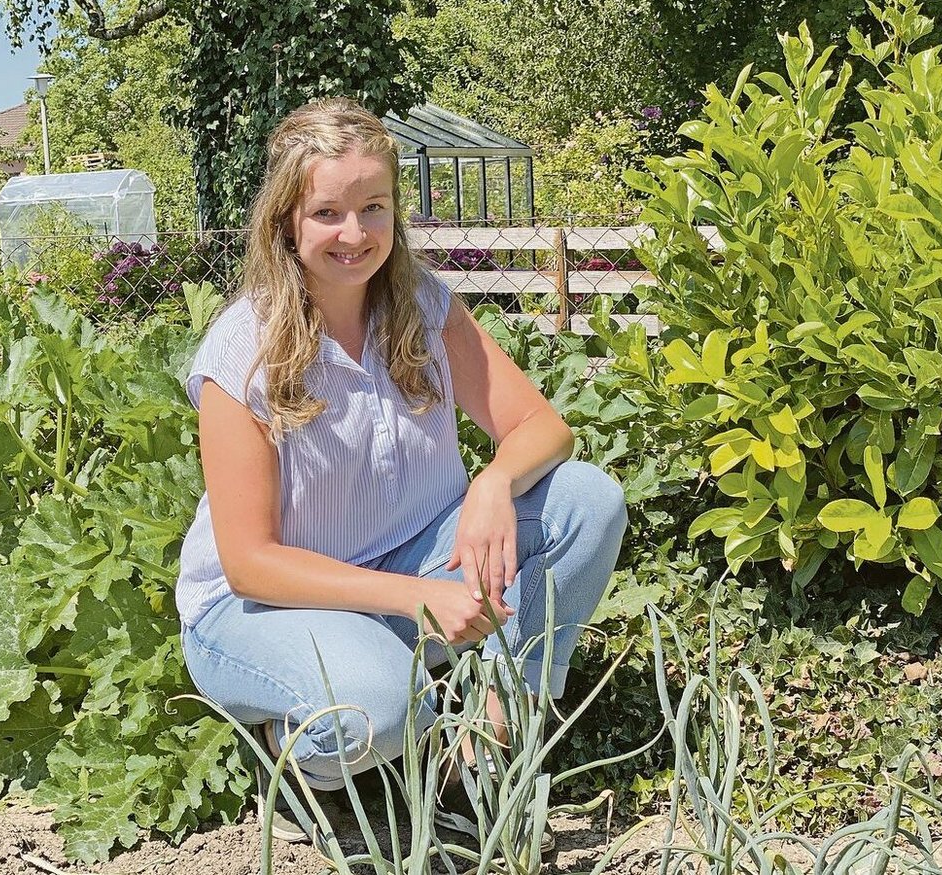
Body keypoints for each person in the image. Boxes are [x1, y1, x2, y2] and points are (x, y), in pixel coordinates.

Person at [176, 97, 628, 835]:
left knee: (585, 501)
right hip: (264, 605)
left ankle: (488, 738)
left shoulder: (423, 305)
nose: (355, 234)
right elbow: (251, 563)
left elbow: (543, 428)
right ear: (285, 220)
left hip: (413, 555)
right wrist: (415, 598)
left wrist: (493, 482)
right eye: (327, 213)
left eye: (374, 208)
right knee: (379, 708)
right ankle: (298, 768)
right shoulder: (242, 351)